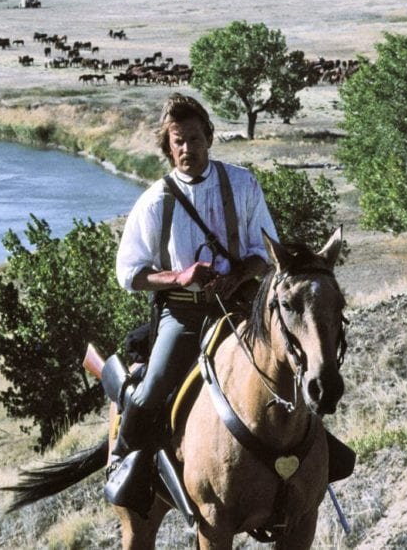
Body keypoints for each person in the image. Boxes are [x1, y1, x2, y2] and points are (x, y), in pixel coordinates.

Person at [108, 93, 278, 511]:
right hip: (182, 313)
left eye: (195, 139)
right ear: (168, 146)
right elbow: (129, 273)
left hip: (240, 306)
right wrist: (179, 276)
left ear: (210, 138)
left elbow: (267, 251)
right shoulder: (154, 201)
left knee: (291, 367)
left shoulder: (242, 184)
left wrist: (238, 274)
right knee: (150, 394)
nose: (187, 149)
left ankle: (314, 461)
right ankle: (124, 463)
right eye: (178, 141)